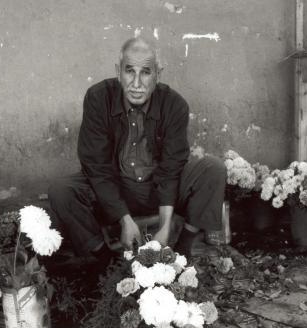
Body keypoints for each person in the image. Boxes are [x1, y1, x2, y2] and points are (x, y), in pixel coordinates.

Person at [48, 37, 226, 266]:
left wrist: (164, 227)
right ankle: (105, 263)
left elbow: (172, 169)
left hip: (157, 190)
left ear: (158, 74)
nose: (136, 83)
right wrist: (124, 220)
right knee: (61, 191)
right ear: (118, 72)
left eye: (146, 72)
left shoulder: (174, 105)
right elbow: (97, 168)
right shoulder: (98, 98)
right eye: (129, 71)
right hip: (115, 188)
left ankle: (182, 249)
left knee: (213, 168)